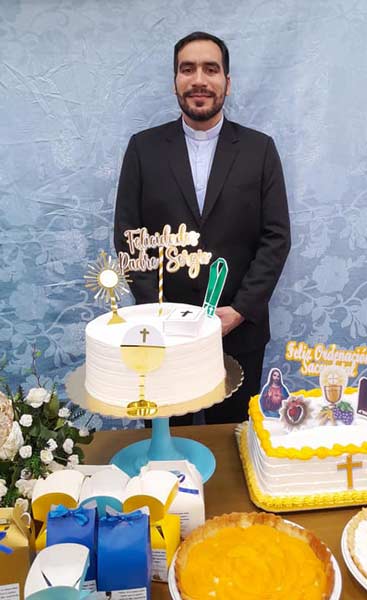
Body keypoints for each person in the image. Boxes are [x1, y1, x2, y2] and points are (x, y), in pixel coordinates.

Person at [114, 31, 291, 424]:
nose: (199, 80)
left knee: (233, 442)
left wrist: (240, 310)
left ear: (227, 82)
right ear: (175, 80)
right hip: (161, 336)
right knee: (164, 442)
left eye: (210, 69)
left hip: (239, 333)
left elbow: (276, 238)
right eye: (187, 69)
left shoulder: (260, 149)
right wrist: (161, 313)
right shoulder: (142, 149)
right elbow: (128, 238)